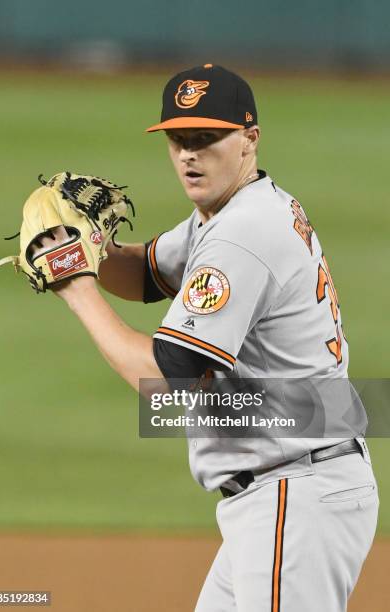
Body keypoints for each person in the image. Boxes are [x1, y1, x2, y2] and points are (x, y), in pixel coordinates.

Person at [42, 65, 378, 611]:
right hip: (287, 488)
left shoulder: (243, 233)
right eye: (178, 140)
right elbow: (149, 273)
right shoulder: (234, 213)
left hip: (295, 493)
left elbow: (168, 376)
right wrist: (88, 248)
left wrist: (76, 288)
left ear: (249, 139)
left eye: (205, 138)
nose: (188, 155)